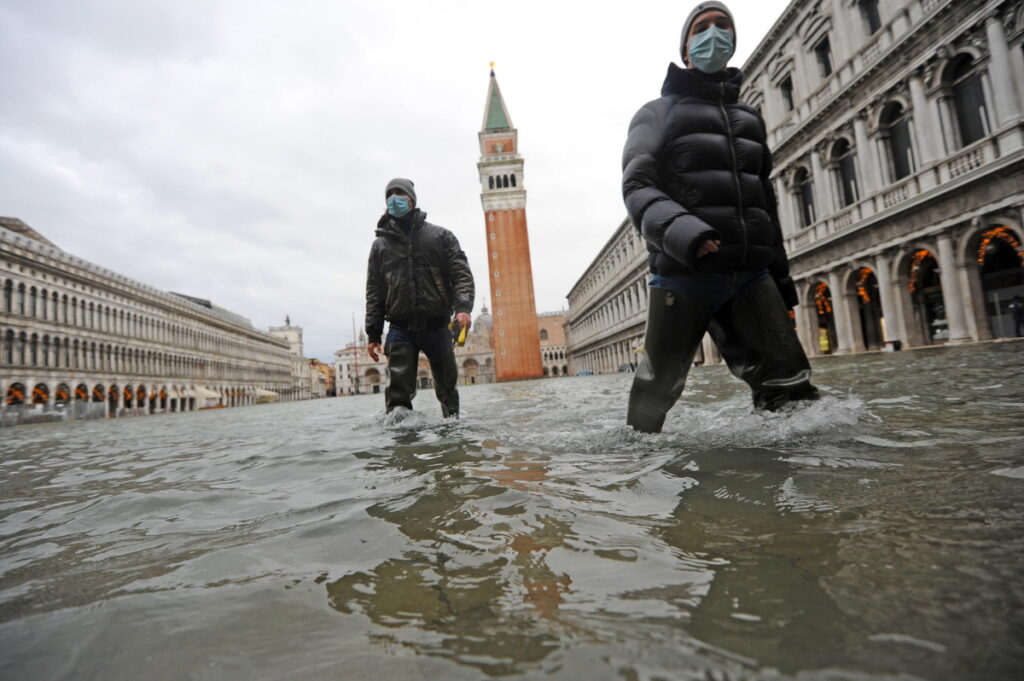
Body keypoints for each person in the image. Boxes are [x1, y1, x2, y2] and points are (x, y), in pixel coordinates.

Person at [621, 1, 819, 433]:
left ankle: (795, 479)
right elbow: (637, 185)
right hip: (682, 272)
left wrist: (782, 285)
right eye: (702, 27)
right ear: (687, 47)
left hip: (751, 274)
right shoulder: (657, 113)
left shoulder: (750, 119)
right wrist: (687, 234)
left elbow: (765, 202)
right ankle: (638, 480)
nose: (714, 33)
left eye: (723, 26)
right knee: (654, 397)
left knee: (793, 390)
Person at [365, 178, 474, 418]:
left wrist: (463, 307)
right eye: (389, 194)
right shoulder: (380, 246)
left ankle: (454, 438)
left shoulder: (441, 237)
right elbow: (375, 292)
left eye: (400, 193)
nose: (394, 198)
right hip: (400, 327)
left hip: (437, 324)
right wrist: (373, 333)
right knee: (397, 395)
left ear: (412, 199)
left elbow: (461, 275)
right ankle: (402, 445)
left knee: (447, 390)